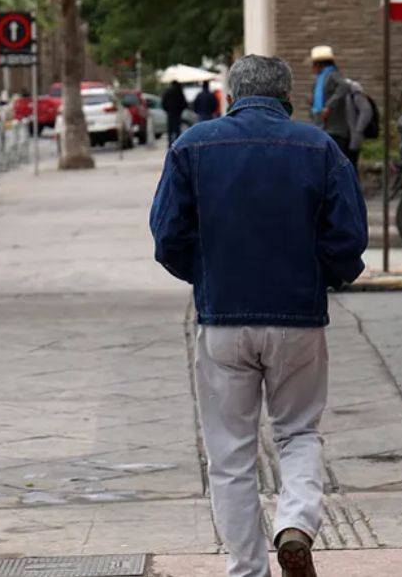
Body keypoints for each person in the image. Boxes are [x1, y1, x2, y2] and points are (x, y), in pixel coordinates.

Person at [150, 55, 367, 577]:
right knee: (298, 432)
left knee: (229, 457)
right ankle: (295, 521)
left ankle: (247, 569)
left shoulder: (192, 147)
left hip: (223, 319)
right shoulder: (320, 149)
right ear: (288, 97)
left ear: (231, 93)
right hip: (298, 316)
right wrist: (323, 275)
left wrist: (207, 276)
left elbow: (168, 237)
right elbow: (348, 239)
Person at [310, 45, 373, 167]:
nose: (312, 68)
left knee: (340, 166)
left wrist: (329, 106)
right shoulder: (321, 81)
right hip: (326, 129)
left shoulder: (332, 75)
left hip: (336, 131)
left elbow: (343, 86)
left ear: (319, 64)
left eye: (314, 65)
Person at [161, 80, 188, 146]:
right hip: (178, 113)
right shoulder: (180, 92)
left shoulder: (167, 92)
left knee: (170, 130)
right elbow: (184, 103)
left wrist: (167, 110)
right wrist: (180, 110)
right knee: (177, 130)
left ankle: (170, 144)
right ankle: (177, 144)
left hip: (170, 113)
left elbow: (163, 103)